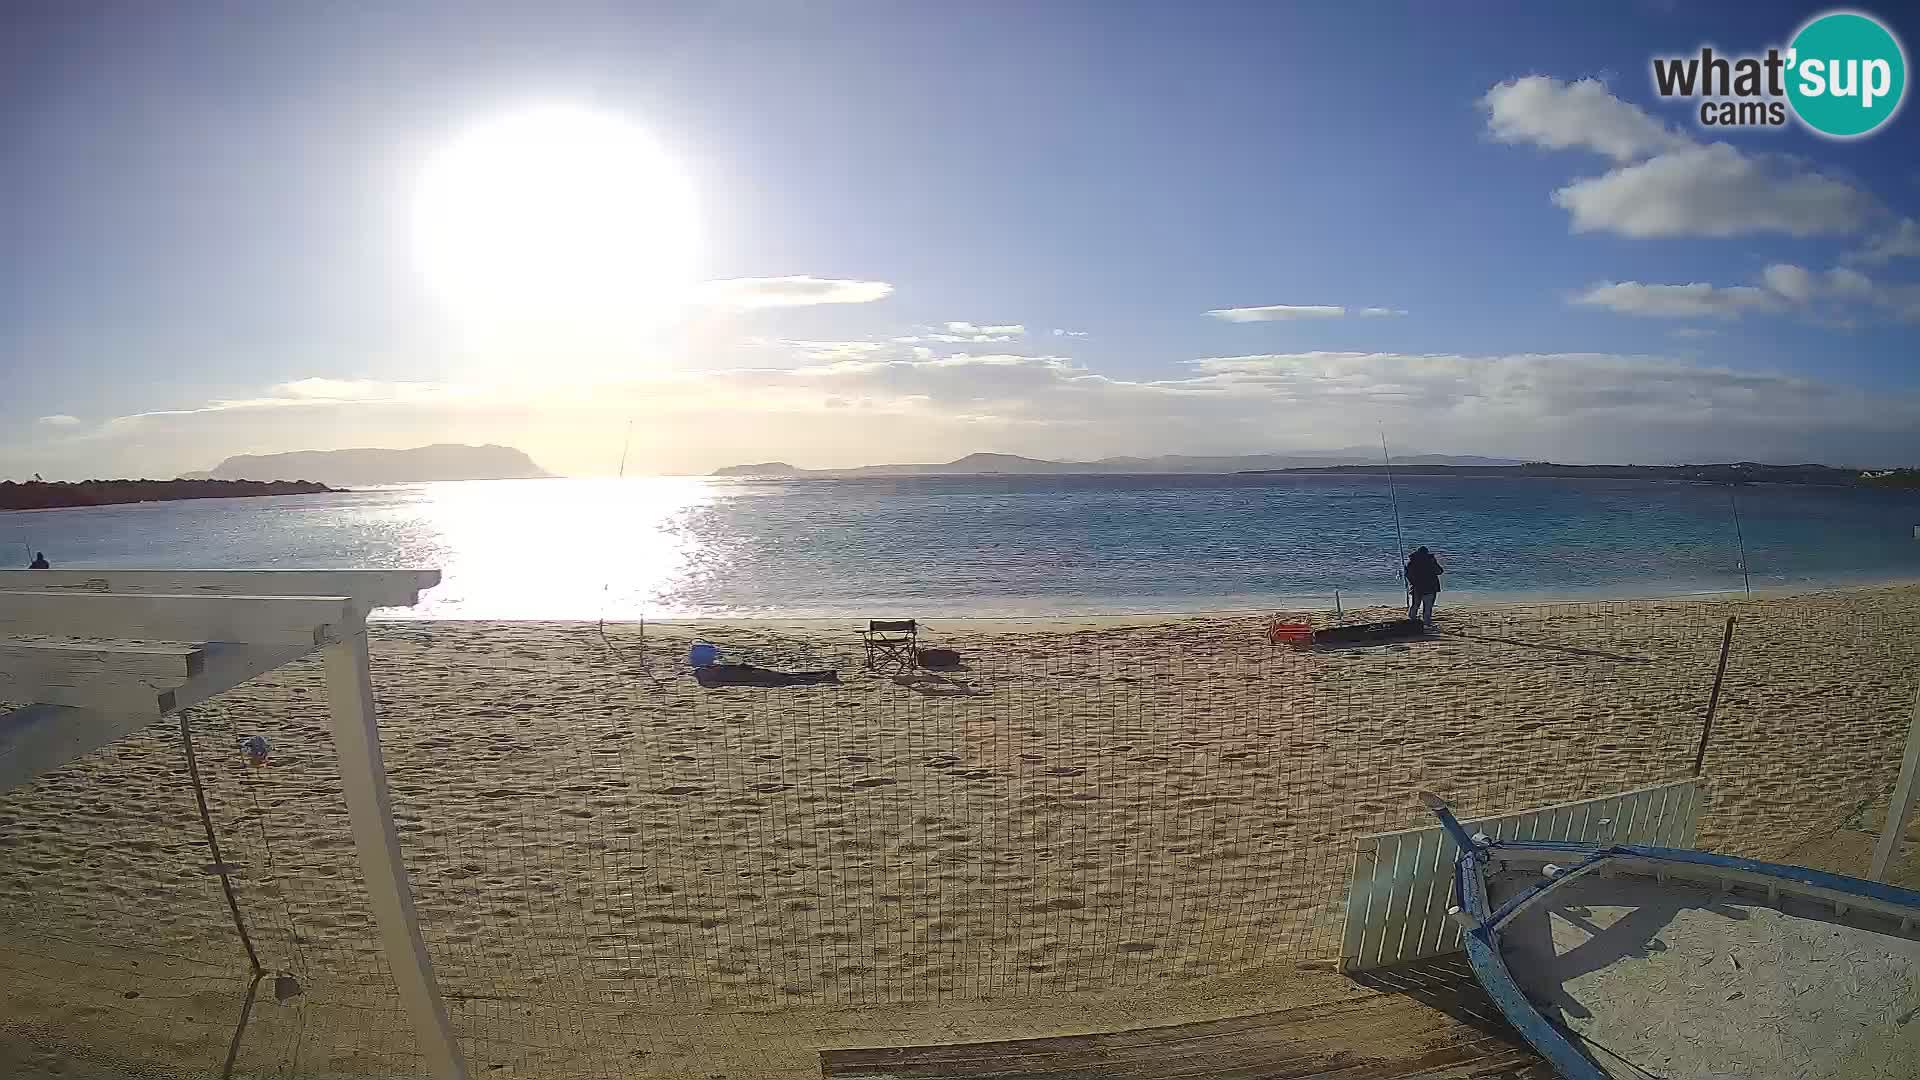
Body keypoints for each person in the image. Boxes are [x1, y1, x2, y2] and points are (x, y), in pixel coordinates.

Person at [1404, 546, 1443, 625]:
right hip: (1430, 587)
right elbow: (1439, 571)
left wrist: (1411, 582)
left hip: (1417, 587)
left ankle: (1412, 620)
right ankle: (1426, 622)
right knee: (1427, 607)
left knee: (1415, 605)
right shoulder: (1430, 561)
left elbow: (1408, 575)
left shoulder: (1412, 561)